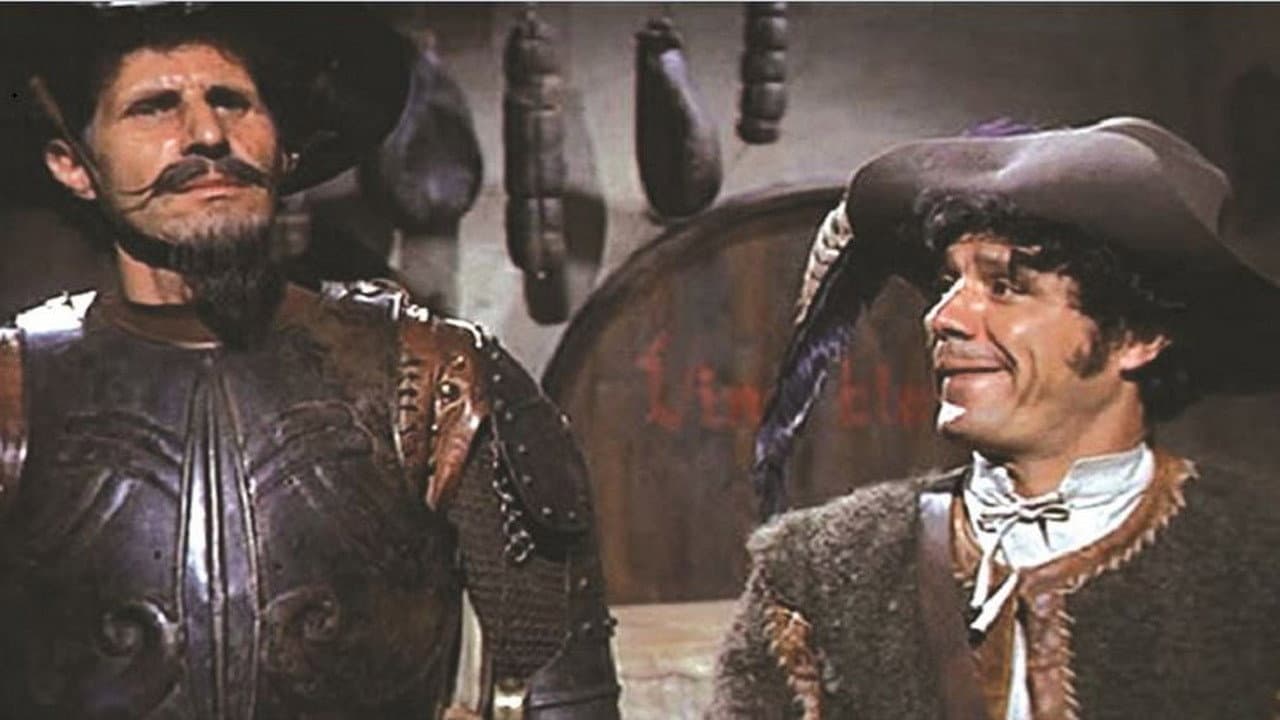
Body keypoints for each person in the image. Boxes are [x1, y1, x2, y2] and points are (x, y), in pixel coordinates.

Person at [0, 6, 619, 719]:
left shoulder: (437, 379)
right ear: (73, 165)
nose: (207, 134)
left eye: (233, 101)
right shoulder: (14, 393)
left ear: (285, 148)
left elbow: (564, 695)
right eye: (154, 107)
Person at [708, 117, 1280, 719]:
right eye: (947, 283)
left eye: (1005, 286)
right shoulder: (813, 572)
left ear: (1137, 335)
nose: (943, 317)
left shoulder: (1260, 556)